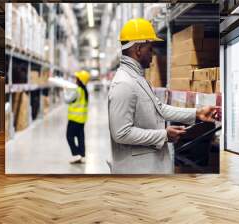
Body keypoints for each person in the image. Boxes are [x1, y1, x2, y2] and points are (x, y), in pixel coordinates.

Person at [108, 18, 219, 174]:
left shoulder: (137, 78)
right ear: (138, 49)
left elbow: (158, 108)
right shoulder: (124, 84)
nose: (153, 54)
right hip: (137, 172)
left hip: (148, 169)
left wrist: (197, 113)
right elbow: (121, 133)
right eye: (150, 48)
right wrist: (164, 135)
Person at [64, 70, 90, 164]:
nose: (76, 80)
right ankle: (82, 155)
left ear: (80, 80)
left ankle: (76, 154)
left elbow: (67, 100)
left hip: (74, 119)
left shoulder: (77, 90)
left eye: (77, 78)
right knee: (80, 137)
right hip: (82, 119)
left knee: (69, 136)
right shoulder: (85, 91)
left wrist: (65, 90)